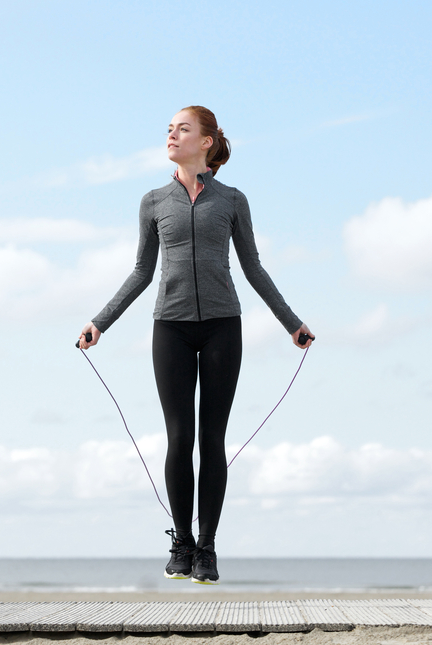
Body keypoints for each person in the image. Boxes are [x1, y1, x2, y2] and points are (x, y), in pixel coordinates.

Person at [77, 106, 313, 585]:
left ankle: (207, 548)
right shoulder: (153, 201)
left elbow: (253, 268)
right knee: (179, 437)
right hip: (172, 329)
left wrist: (292, 322)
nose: (171, 135)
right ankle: (181, 541)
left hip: (224, 326)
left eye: (182, 129)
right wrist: (100, 322)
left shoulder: (232, 200)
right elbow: (143, 271)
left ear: (205, 141)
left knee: (212, 439)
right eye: (169, 129)